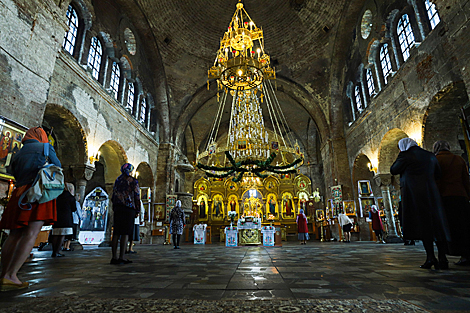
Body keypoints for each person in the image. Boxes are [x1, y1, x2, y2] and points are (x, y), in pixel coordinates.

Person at [0, 127, 61, 291]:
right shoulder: (45, 147)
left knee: (13, 235)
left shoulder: (18, 152)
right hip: (37, 192)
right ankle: (12, 275)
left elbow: (12, 171)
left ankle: (3, 275)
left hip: (19, 193)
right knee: (31, 233)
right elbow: (57, 166)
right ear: (41, 137)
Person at [391, 138, 451, 270]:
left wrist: (401, 155)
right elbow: (438, 174)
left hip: (415, 195)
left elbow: (393, 169)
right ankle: (443, 258)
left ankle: (430, 257)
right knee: (437, 225)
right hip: (432, 194)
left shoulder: (405, 155)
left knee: (424, 225)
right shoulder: (430, 155)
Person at [433, 140, 470, 266]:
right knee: (463, 227)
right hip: (461, 196)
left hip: (444, 198)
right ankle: (466, 255)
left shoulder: (435, 160)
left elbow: (435, 181)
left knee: (447, 227)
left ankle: (445, 256)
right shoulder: (459, 159)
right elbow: (466, 179)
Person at [110, 163, 140, 264]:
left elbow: (113, 194)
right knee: (125, 233)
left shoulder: (118, 180)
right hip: (128, 208)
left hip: (118, 208)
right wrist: (137, 210)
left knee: (116, 233)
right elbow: (136, 196)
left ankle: (114, 257)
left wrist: (115, 206)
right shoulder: (132, 181)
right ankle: (122, 257)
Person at [50, 183, 76, 257]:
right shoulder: (70, 197)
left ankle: (54, 251)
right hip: (66, 218)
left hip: (57, 217)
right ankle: (57, 251)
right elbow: (74, 209)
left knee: (56, 234)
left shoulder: (57, 196)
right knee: (62, 235)